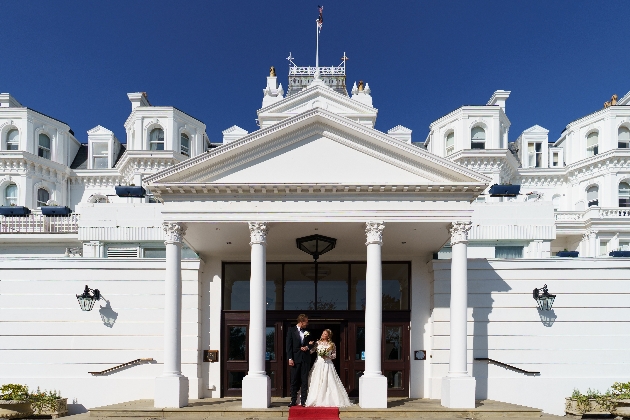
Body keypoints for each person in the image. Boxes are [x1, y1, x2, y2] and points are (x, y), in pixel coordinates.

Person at [304, 329, 353, 407]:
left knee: (329, 380)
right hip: (318, 364)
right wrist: (309, 345)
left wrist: (327, 356)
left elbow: (334, 356)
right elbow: (311, 351)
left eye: (325, 334)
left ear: (328, 336)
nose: (323, 335)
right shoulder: (317, 343)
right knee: (316, 380)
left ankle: (328, 399)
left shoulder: (332, 344)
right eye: (323, 333)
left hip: (328, 364)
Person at [286, 314, 314, 407]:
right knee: (294, 380)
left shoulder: (307, 331)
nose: (307, 323)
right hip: (295, 359)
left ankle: (303, 401)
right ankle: (293, 400)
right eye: (306, 322)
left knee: (304, 380)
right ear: (301, 322)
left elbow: (312, 343)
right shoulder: (291, 330)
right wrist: (290, 358)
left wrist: (307, 347)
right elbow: (288, 346)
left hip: (305, 359)